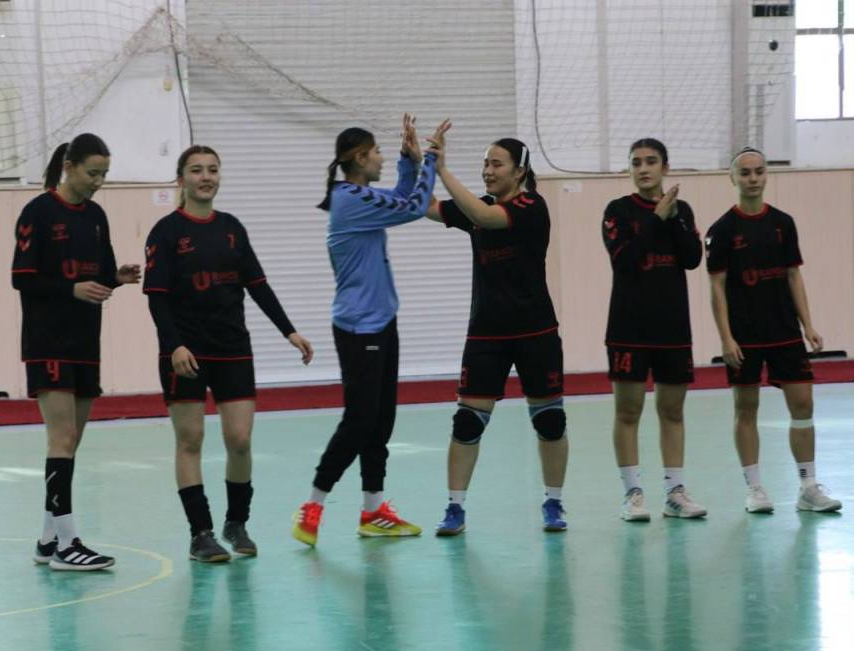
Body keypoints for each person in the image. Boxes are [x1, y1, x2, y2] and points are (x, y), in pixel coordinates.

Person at [144, 145, 313, 562]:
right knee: (190, 439)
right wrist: (174, 346)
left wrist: (289, 330)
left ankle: (236, 523)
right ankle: (200, 533)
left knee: (239, 439)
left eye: (212, 170)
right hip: (185, 351)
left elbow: (257, 285)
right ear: (181, 179)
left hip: (232, 347)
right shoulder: (165, 232)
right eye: (196, 170)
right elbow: (157, 298)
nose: (206, 177)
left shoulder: (232, 228)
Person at [291, 114, 443, 546]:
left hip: (382, 320)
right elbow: (414, 206)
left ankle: (373, 511)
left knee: (381, 420)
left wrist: (408, 160)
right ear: (359, 158)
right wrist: (431, 158)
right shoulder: (350, 200)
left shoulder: (359, 195)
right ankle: (313, 506)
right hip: (360, 328)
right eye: (376, 151)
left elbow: (400, 196)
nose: (380, 158)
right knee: (359, 421)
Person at [425, 129, 570, 535]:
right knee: (467, 423)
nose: (487, 171)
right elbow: (426, 205)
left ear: (519, 171)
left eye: (496, 164)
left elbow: (485, 218)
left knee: (550, 421)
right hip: (486, 333)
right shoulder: (480, 205)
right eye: (485, 163)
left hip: (535, 331)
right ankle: (455, 508)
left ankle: (554, 501)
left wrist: (444, 170)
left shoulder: (531, 206)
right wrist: (418, 164)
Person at [11, 133, 140, 570]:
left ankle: (48, 540)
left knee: (71, 442)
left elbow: (99, 275)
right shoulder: (38, 212)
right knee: (62, 438)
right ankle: (68, 544)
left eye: (104, 174)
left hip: (86, 341)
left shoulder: (97, 216)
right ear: (69, 167)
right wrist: (71, 289)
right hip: (48, 341)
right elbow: (22, 277)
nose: (98, 182)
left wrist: (117, 278)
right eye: (92, 173)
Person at [706, 147, 841, 514]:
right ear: (733, 178)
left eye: (759, 171)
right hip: (744, 335)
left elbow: (794, 275)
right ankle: (755, 489)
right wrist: (726, 337)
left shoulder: (783, 223)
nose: (753, 178)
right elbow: (716, 287)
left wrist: (807, 324)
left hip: (784, 330)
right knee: (745, 408)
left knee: (803, 404)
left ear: (766, 175)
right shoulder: (722, 230)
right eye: (745, 173)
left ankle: (808, 487)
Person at [602, 138, 707, 521]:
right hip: (629, 327)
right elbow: (625, 260)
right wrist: (655, 219)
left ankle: (675, 493)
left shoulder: (682, 210)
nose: (643, 168)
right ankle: (632, 494)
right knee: (628, 411)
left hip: (673, 327)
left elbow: (692, 259)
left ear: (665, 167)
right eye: (636, 162)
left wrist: (673, 217)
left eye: (651, 161)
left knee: (672, 411)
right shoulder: (617, 210)